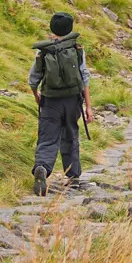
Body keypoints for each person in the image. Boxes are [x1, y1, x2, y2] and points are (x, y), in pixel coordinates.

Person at [29, 11, 93, 196]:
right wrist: (88, 107)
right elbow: (84, 78)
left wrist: (36, 96)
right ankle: (73, 178)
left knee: (48, 138)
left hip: (50, 102)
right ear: (70, 28)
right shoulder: (77, 49)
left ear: (52, 28)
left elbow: (33, 80)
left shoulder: (43, 51)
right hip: (73, 101)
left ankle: (42, 167)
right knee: (71, 136)